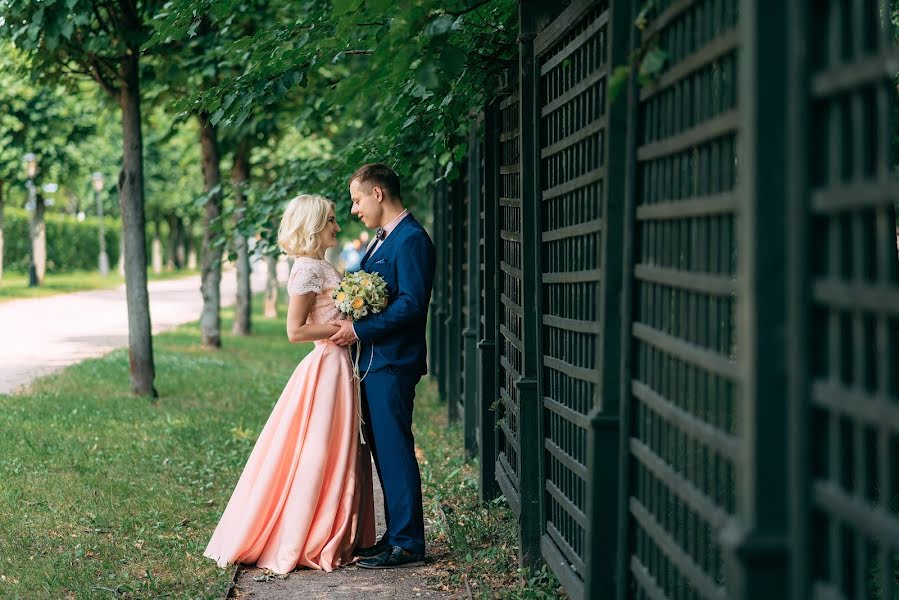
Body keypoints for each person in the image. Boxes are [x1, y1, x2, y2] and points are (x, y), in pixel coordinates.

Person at [204, 194, 375, 574]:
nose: (336, 225)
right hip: (327, 366)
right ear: (315, 225)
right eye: (330, 219)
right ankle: (309, 532)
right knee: (319, 452)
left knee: (340, 450)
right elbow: (295, 330)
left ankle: (338, 530)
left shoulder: (322, 264)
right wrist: (343, 328)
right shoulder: (307, 270)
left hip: (341, 365)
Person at [329, 164, 436, 569]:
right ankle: (397, 533)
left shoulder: (410, 239)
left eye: (357, 199)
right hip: (375, 362)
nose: (354, 209)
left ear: (377, 193)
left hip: (393, 362)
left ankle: (409, 543)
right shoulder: (380, 240)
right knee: (384, 452)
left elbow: (411, 303)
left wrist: (359, 328)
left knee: (395, 450)